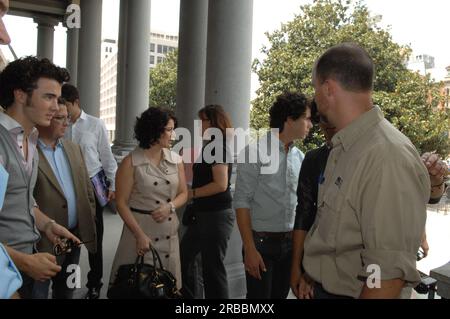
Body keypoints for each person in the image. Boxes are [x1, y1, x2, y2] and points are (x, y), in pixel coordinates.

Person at [300, 42, 430, 299]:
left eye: (315, 89)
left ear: (327, 89)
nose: (315, 98)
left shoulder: (385, 156)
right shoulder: (346, 146)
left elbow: (385, 277)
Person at [290, 103, 448, 299]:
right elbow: (306, 215)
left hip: (376, 278)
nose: (329, 125)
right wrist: (303, 268)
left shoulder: (382, 150)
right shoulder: (315, 159)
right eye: (322, 120)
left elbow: (427, 198)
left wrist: (436, 180)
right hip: (331, 277)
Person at [0, 56, 79, 299]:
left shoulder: (30, 138)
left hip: (24, 264)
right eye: (48, 97)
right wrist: (24, 262)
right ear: (21, 95)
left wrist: (47, 225)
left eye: (58, 98)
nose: (57, 108)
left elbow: (22, 199)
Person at [234, 92, 312, 299]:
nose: (310, 124)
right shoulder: (254, 152)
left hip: (290, 246)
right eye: (306, 118)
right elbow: (241, 202)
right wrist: (249, 249)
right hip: (260, 245)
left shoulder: (300, 157)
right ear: (289, 119)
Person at [108, 107, 188, 294]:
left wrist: (170, 206)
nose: (173, 134)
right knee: (139, 288)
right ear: (154, 131)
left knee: (168, 289)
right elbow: (120, 203)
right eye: (169, 129)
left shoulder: (176, 160)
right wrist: (139, 235)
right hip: (140, 236)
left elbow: (184, 193)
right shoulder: (130, 162)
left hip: (169, 236)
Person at [32, 99, 97, 299]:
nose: (66, 123)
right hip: (42, 242)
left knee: (67, 291)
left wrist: (88, 217)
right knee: (38, 293)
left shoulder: (73, 148)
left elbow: (86, 190)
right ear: (45, 120)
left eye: (67, 118)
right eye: (60, 118)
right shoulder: (28, 151)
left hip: (73, 239)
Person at [61, 83, 118, 299]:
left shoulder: (95, 124)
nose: (63, 110)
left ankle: (95, 284)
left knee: (94, 239)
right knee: (69, 239)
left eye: (65, 104)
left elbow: (106, 156)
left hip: (92, 188)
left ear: (75, 102)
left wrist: (112, 184)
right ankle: (67, 284)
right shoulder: (59, 125)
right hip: (66, 186)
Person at [180, 105, 235, 299]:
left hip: (216, 216)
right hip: (204, 214)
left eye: (202, 120)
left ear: (213, 122)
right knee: (186, 259)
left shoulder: (218, 147)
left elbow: (220, 184)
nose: (199, 124)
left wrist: (191, 193)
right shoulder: (211, 145)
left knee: (212, 270)